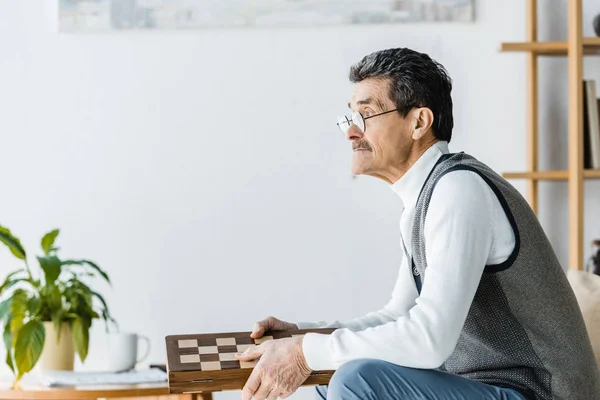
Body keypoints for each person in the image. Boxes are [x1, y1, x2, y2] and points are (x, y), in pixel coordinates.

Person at [234, 47, 600, 400]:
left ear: (418, 122)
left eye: (365, 115)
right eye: (349, 118)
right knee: (333, 380)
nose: (350, 132)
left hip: (538, 393)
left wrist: (305, 353)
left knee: (357, 379)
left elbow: (429, 339)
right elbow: (399, 315)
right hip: (493, 389)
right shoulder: (425, 197)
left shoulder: (459, 189)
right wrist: (306, 336)